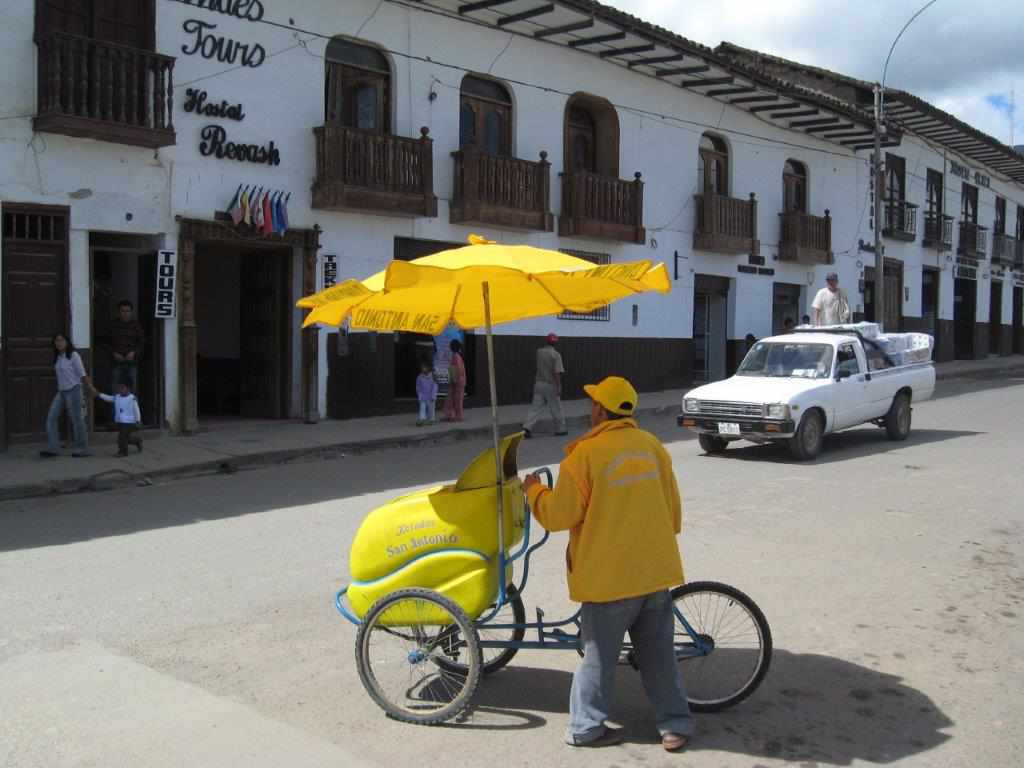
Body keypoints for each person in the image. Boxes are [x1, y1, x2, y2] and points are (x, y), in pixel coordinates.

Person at [522, 376, 692, 752]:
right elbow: (674, 514)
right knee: (659, 656)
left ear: (600, 410)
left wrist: (533, 489)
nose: (590, 409)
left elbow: (556, 515)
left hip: (608, 580)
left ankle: (585, 728)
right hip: (654, 572)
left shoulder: (584, 456)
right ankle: (674, 726)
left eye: (593, 403)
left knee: (597, 659)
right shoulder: (653, 448)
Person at [41, 333, 93, 458]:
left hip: (74, 390)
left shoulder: (74, 355)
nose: (59, 343)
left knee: (77, 420)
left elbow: (82, 374)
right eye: (56, 341)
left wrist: (91, 388)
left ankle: (82, 448)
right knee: (51, 418)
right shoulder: (58, 356)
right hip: (62, 391)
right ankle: (54, 448)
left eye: (61, 340)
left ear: (67, 342)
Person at [523, 333, 567, 438]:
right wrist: (559, 386)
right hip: (551, 385)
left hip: (539, 384)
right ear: (555, 343)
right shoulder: (556, 355)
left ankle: (527, 427)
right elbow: (557, 372)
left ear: (546, 341)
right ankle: (561, 429)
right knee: (556, 408)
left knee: (535, 408)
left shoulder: (539, 352)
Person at [94, 382, 143, 456]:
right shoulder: (117, 397)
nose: (120, 390)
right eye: (120, 388)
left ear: (127, 389)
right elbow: (108, 398)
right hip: (119, 421)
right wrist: (99, 394)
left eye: (123, 388)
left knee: (121, 437)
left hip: (129, 422)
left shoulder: (132, 398)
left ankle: (123, 452)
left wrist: (138, 421)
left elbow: (136, 410)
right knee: (125, 438)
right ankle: (137, 441)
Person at [106, 300, 145, 392]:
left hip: (132, 362)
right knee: (115, 388)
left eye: (127, 311)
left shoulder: (136, 326)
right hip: (116, 362)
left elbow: (141, 342)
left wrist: (134, 352)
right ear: (119, 312)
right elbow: (106, 343)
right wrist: (114, 353)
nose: (125, 313)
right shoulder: (113, 325)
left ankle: (132, 406)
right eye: (123, 311)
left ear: (131, 312)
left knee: (133, 388)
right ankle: (116, 406)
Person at [441, 339, 466, 422]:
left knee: (456, 399)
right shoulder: (457, 356)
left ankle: (457, 416)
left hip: (457, 381)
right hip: (458, 381)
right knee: (454, 399)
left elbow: (457, 369)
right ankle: (451, 415)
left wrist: (454, 380)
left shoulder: (455, 356)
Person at [415, 361, 438, 426]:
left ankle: (431, 419)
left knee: (431, 409)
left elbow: (435, 387)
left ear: (429, 368)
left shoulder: (433, 376)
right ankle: (422, 419)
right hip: (422, 396)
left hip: (431, 396)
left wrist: (433, 396)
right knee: (422, 408)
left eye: (424, 367)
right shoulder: (419, 377)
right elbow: (418, 386)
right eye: (422, 367)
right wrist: (419, 395)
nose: (423, 369)